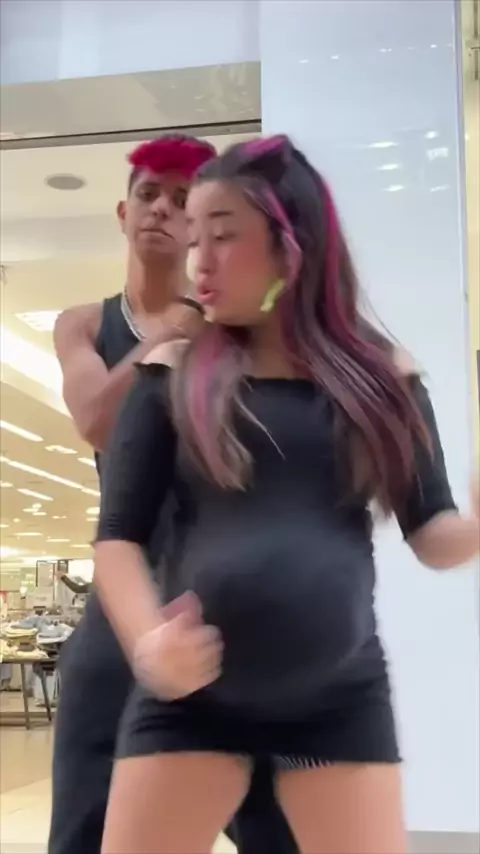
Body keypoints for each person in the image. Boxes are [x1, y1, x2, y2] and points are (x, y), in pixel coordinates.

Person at [94, 134, 480, 854]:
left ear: (291, 242)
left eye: (223, 235)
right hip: (191, 700)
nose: (199, 261)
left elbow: (434, 533)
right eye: (194, 239)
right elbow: (117, 536)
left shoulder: (384, 381)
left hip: (339, 699)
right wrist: (148, 645)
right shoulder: (171, 373)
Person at [49, 134, 297, 854]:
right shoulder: (85, 324)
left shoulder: (244, 335)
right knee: (85, 834)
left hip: (226, 618)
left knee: (281, 832)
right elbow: (98, 422)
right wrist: (183, 319)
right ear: (123, 213)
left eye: (184, 199)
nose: (162, 208)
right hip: (118, 622)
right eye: (149, 194)